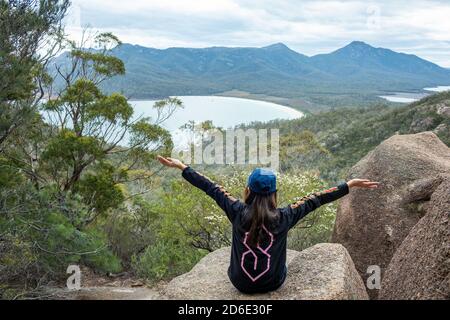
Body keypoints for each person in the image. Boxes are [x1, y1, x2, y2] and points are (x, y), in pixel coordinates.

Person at [157, 155, 379, 294]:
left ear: (247, 191)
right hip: (273, 283)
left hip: (239, 283)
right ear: (275, 194)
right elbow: (316, 199)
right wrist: (347, 185)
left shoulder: (235, 210)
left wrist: (183, 167)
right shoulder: (285, 216)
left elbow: (211, 187)